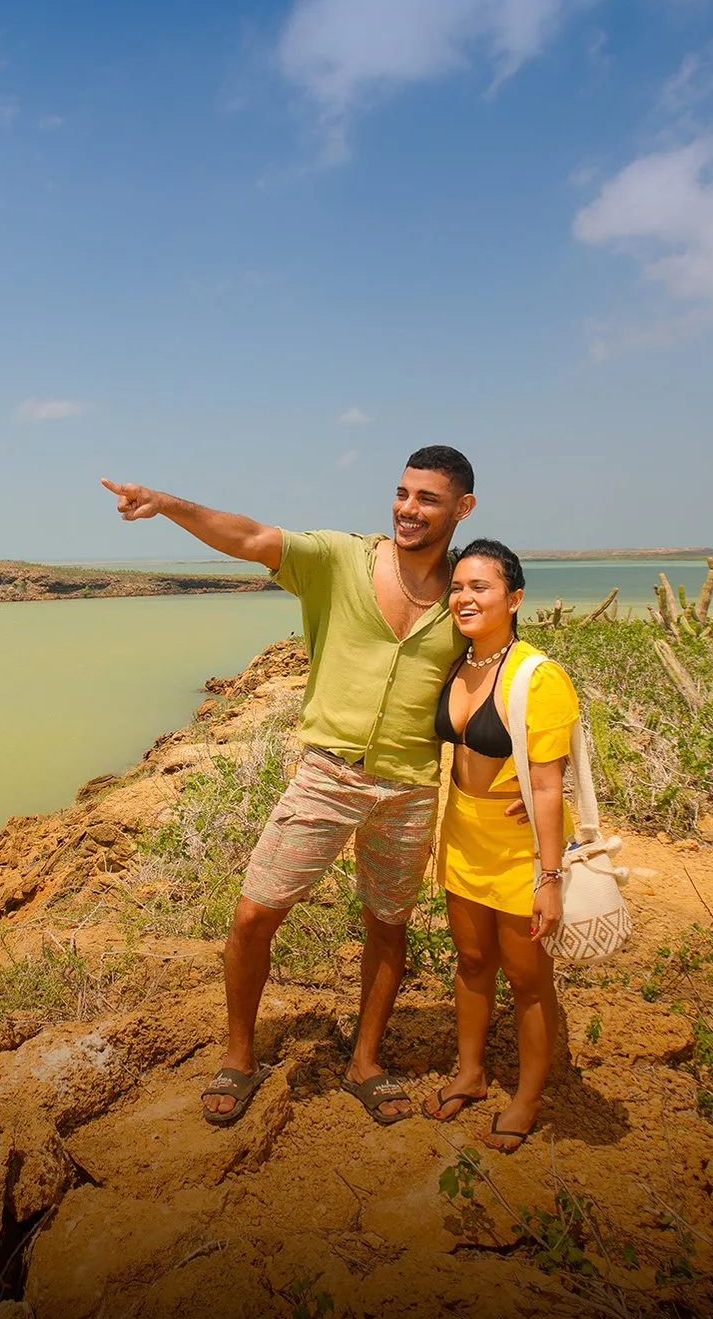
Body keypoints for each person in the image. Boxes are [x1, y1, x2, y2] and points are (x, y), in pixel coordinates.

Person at [101, 448, 476, 1127]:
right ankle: (239, 1056)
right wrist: (168, 504)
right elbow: (247, 537)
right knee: (253, 915)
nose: (407, 508)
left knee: (388, 928)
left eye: (426, 498)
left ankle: (365, 1062)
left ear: (461, 510)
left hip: (411, 787)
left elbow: (492, 682)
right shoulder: (340, 559)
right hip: (328, 774)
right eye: (402, 493)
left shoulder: (463, 593)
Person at [422, 537, 576, 1152]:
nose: (463, 597)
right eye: (456, 587)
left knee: (526, 975)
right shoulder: (457, 663)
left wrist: (550, 876)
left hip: (518, 848)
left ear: (513, 599)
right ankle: (471, 1072)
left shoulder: (537, 675)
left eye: (479, 587)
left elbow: (547, 782)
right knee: (472, 962)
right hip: (462, 833)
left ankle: (529, 1094)